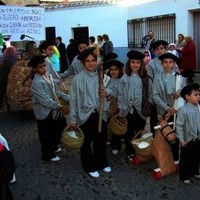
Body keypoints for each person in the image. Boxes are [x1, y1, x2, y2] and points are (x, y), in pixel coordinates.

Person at [69, 47, 111, 178]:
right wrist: (73, 118)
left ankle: (102, 162)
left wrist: (107, 93)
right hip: (85, 114)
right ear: (83, 63)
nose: (91, 63)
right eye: (88, 61)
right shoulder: (78, 79)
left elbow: (110, 91)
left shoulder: (101, 75)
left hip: (100, 113)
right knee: (86, 142)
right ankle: (89, 165)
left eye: (93, 60)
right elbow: (73, 99)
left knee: (101, 139)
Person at [29, 55, 70, 161]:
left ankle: (54, 146)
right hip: (44, 112)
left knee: (60, 126)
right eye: (40, 67)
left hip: (53, 109)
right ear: (34, 69)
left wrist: (69, 98)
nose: (44, 68)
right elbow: (44, 100)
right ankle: (47, 154)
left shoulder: (48, 76)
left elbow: (56, 91)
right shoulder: (36, 82)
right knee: (45, 133)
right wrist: (59, 106)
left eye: (44, 66)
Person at [117, 50, 152, 160]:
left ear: (141, 64)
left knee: (139, 130)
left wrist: (148, 106)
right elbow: (120, 94)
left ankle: (138, 149)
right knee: (129, 131)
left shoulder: (145, 78)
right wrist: (121, 109)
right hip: (128, 110)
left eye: (138, 62)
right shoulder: (124, 77)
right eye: (133, 62)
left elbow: (150, 94)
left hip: (140, 110)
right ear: (129, 63)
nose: (135, 65)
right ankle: (129, 150)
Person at [152, 52, 186, 161]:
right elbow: (155, 95)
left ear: (174, 63)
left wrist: (179, 93)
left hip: (175, 111)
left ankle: (175, 158)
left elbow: (185, 91)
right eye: (165, 62)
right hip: (163, 111)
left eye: (170, 62)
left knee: (174, 134)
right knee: (164, 134)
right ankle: (164, 157)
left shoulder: (179, 77)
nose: (167, 64)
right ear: (161, 64)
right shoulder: (157, 77)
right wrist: (166, 108)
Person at [147, 40, 179, 134]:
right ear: (154, 51)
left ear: (165, 49)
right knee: (157, 125)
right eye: (157, 49)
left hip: (171, 98)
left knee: (171, 127)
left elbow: (178, 81)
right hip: (158, 96)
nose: (159, 51)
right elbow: (150, 81)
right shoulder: (151, 64)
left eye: (161, 48)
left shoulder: (172, 61)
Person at [176, 83, 200, 184]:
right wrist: (181, 139)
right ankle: (185, 175)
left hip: (198, 138)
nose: (198, 97)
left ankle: (194, 171)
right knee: (186, 158)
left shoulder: (198, 108)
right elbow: (179, 126)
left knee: (197, 156)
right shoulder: (183, 110)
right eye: (195, 95)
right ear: (187, 97)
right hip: (188, 139)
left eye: (199, 94)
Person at [103, 57, 124, 155]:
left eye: (115, 69)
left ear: (119, 70)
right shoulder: (106, 80)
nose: (113, 72)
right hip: (107, 106)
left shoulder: (122, 81)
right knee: (108, 125)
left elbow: (122, 95)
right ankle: (109, 139)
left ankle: (116, 146)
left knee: (116, 126)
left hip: (118, 107)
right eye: (111, 70)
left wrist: (120, 108)